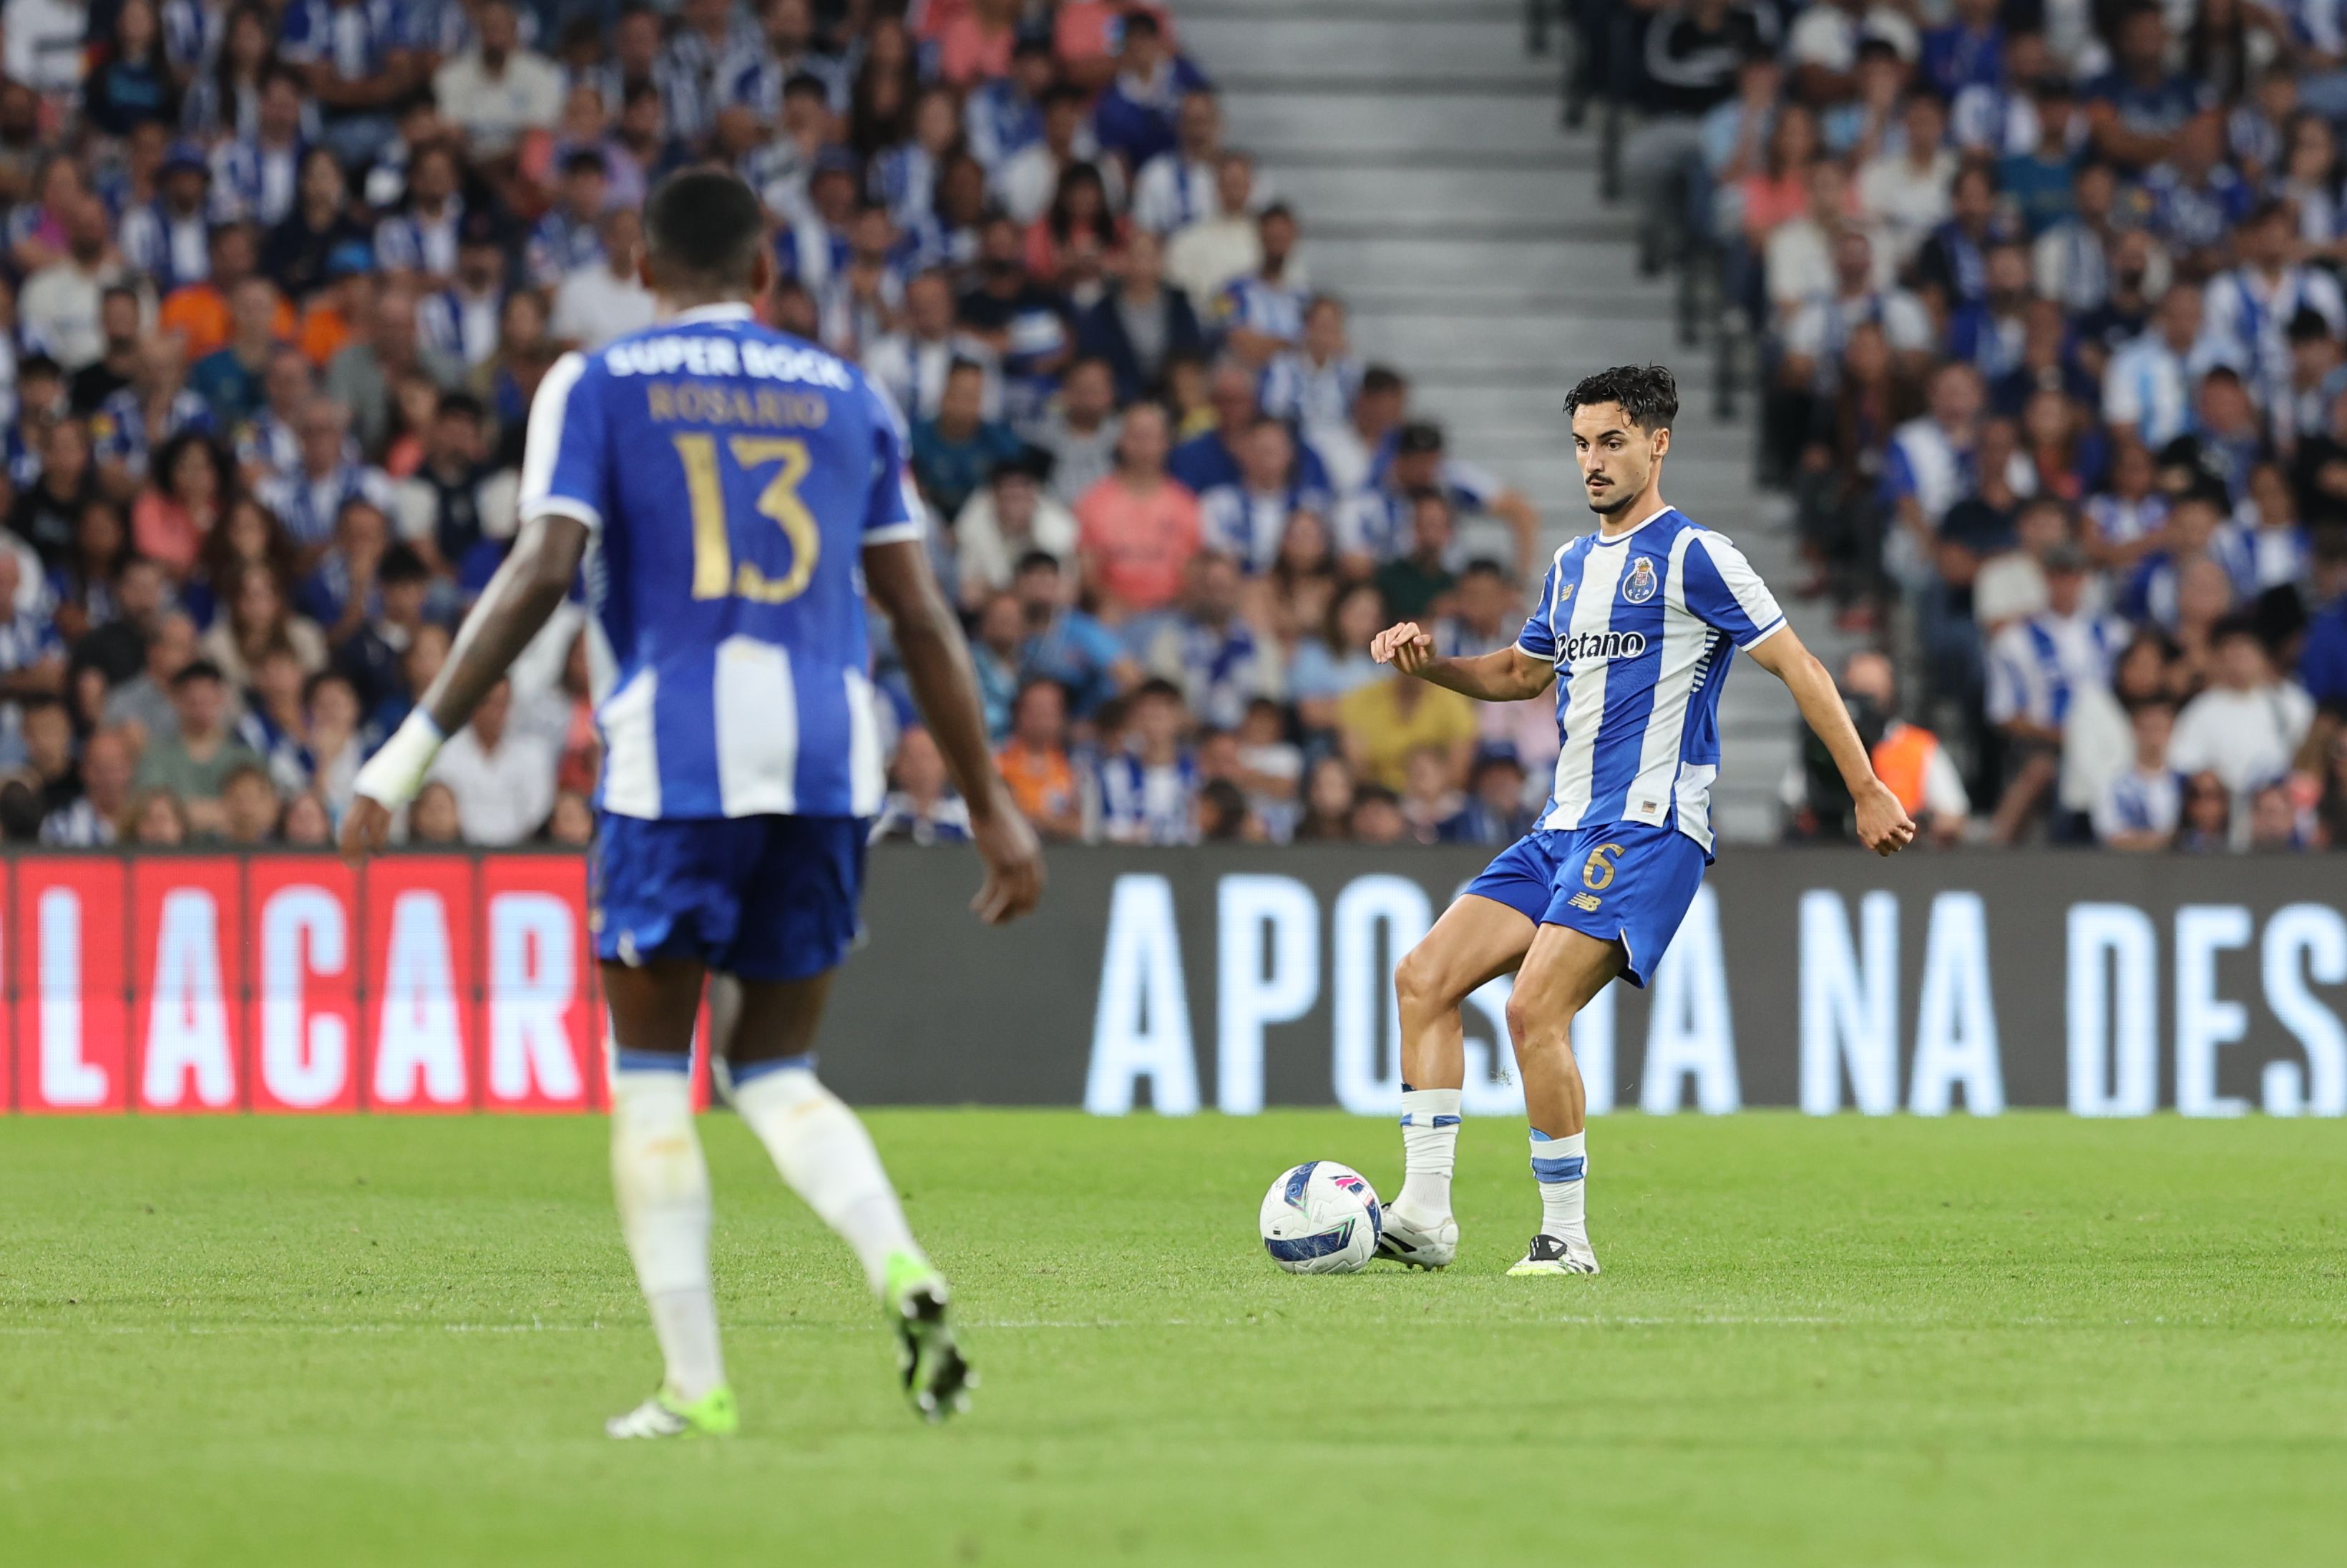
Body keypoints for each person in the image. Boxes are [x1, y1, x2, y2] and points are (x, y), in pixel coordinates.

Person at [338, 169, 1040, 1438]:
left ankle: (696, 1385)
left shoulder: (597, 383)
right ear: (765, 272)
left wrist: (408, 750)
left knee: (656, 1077)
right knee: (774, 1066)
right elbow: (922, 615)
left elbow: (543, 568)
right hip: (830, 758)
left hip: (677, 759)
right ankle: (898, 1263)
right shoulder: (851, 394)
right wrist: (990, 804)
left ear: (642, 268)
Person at [1365, 365, 1915, 1277]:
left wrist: (1866, 786)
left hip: (1650, 827)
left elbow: (1802, 666)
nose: (1593, 460)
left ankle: (1566, 1236)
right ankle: (1424, 1214)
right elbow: (1519, 674)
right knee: (1423, 976)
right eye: (1581, 443)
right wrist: (1433, 666)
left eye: (1611, 441)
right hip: (1561, 828)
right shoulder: (1569, 566)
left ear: (1658, 444)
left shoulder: (1698, 555)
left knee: (1533, 1006)